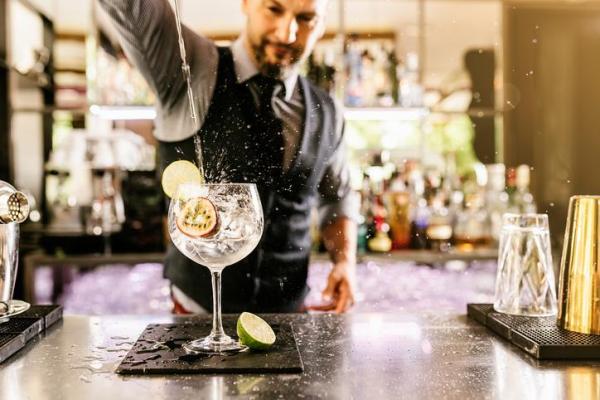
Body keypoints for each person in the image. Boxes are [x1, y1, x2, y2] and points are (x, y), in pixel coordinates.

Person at [98, 0, 358, 313]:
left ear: (322, 23)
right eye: (274, 9)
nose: (287, 33)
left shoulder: (328, 112)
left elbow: (337, 197)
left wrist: (345, 262)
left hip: (290, 316)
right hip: (197, 320)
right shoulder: (187, 67)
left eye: (306, 18)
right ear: (247, 3)